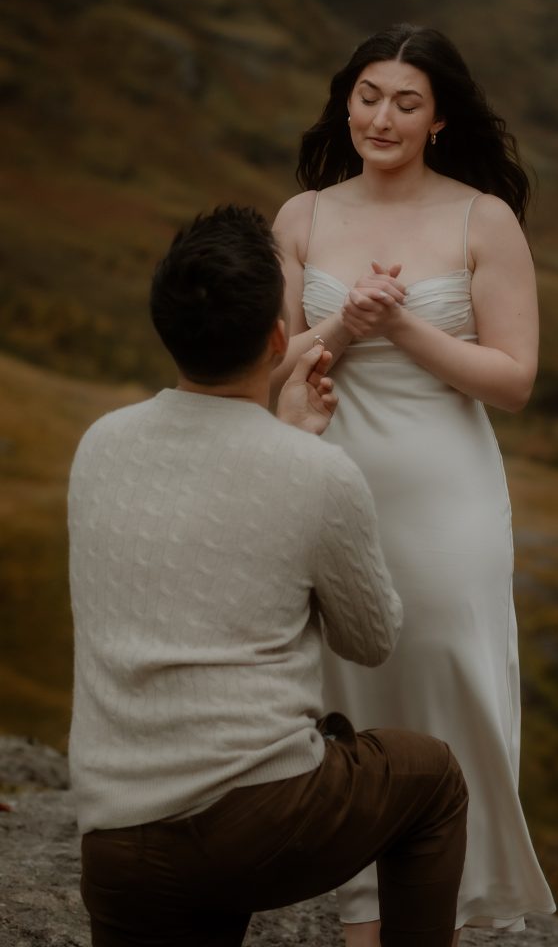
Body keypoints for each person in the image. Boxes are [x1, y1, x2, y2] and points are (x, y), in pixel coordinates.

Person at [67, 204, 469, 947]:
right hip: (258, 827)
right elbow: (371, 637)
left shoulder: (100, 446)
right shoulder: (314, 473)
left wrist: (284, 439)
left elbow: (201, 521)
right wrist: (299, 450)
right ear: (280, 337)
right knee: (431, 778)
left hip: (118, 843)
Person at [271, 23, 556, 947]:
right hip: (325, 478)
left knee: (446, 682)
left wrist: (403, 330)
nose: (380, 116)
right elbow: (271, 373)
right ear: (343, 101)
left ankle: (456, 911)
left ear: (439, 120)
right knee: (348, 693)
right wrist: (346, 327)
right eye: (366, 95)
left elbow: (512, 380)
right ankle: (361, 914)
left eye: (405, 101)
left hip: (447, 497)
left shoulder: (484, 219)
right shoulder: (302, 217)